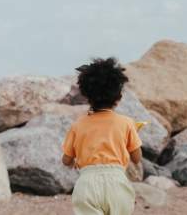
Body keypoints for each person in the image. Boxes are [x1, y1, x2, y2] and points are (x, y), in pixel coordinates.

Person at [61, 57, 142, 215]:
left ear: (87, 96)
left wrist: (73, 161)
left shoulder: (78, 125)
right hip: (117, 184)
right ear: (118, 98)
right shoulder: (126, 123)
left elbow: (66, 160)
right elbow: (137, 158)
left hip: (87, 184)